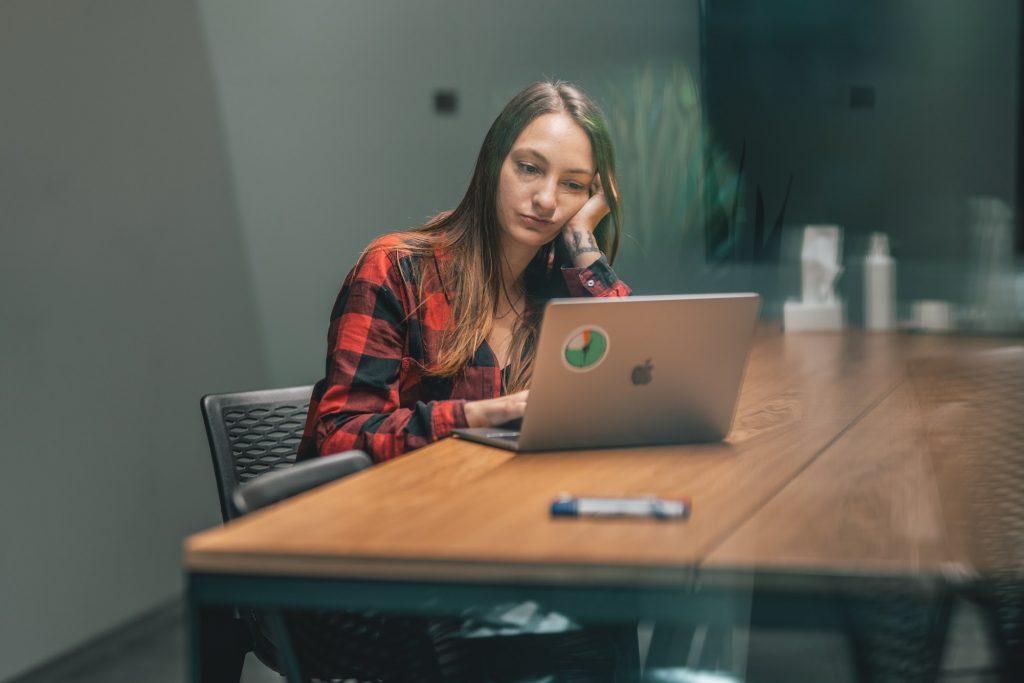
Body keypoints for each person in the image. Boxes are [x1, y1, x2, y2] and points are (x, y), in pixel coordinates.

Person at [297, 80, 636, 682]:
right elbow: (337, 435)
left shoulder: (557, 287)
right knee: (576, 634)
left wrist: (583, 243)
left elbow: (635, 379)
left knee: (612, 610)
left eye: (573, 186)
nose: (546, 199)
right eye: (529, 168)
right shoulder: (399, 268)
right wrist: (488, 414)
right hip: (386, 566)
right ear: (492, 164)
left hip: (502, 548)